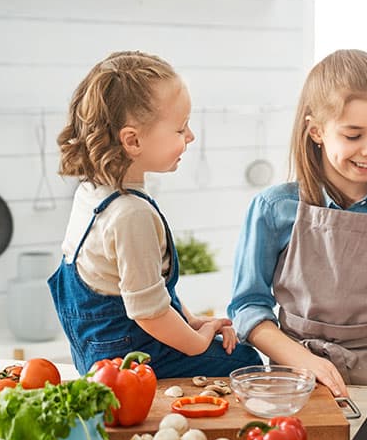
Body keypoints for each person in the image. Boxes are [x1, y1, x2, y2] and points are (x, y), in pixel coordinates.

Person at [227, 49, 367, 397]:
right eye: (353, 135)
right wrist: (302, 360)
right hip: (294, 379)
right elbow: (247, 308)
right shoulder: (274, 208)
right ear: (317, 131)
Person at [49, 50, 262, 377]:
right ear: (132, 141)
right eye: (180, 129)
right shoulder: (131, 214)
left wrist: (190, 321)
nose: (190, 137)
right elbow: (148, 313)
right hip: (132, 362)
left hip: (94, 356)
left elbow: (146, 288)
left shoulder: (91, 192)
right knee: (245, 361)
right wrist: (197, 341)